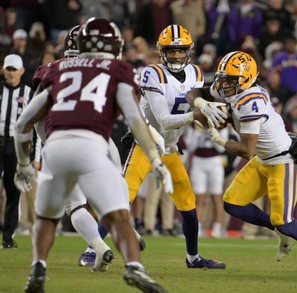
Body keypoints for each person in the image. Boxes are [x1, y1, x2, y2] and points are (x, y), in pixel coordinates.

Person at [14, 17, 172, 293]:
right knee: (117, 214)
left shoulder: (56, 69)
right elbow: (135, 119)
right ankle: (134, 267)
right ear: (112, 45)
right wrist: (156, 158)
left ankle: (38, 267)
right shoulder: (116, 69)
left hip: (56, 143)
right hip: (94, 142)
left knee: (49, 217)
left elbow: (23, 123)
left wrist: (24, 163)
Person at [187, 51, 297, 272]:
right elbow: (194, 91)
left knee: (285, 221)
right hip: (264, 158)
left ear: (246, 79)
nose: (223, 84)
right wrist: (202, 103)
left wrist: (218, 138)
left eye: (230, 79)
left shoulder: (251, 102)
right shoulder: (233, 87)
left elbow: (247, 150)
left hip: (283, 161)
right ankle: (279, 230)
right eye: (224, 77)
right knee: (233, 203)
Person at [123, 24, 226, 269]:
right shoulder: (152, 73)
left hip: (169, 150)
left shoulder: (195, 73)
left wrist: (210, 118)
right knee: (119, 197)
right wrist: (195, 117)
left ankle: (193, 258)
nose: (177, 56)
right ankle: (92, 248)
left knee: (189, 206)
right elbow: (165, 121)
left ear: (188, 51)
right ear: (162, 52)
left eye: (181, 51)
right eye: (172, 51)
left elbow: (193, 103)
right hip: (146, 145)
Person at [0, 54, 34, 249]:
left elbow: (35, 125)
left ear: (21, 71)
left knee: (13, 192)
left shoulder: (28, 93)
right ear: (4, 70)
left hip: (16, 145)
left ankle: (7, 238)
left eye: (14, 69)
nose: (11, 73)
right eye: (8, 69)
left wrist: (34, 156)